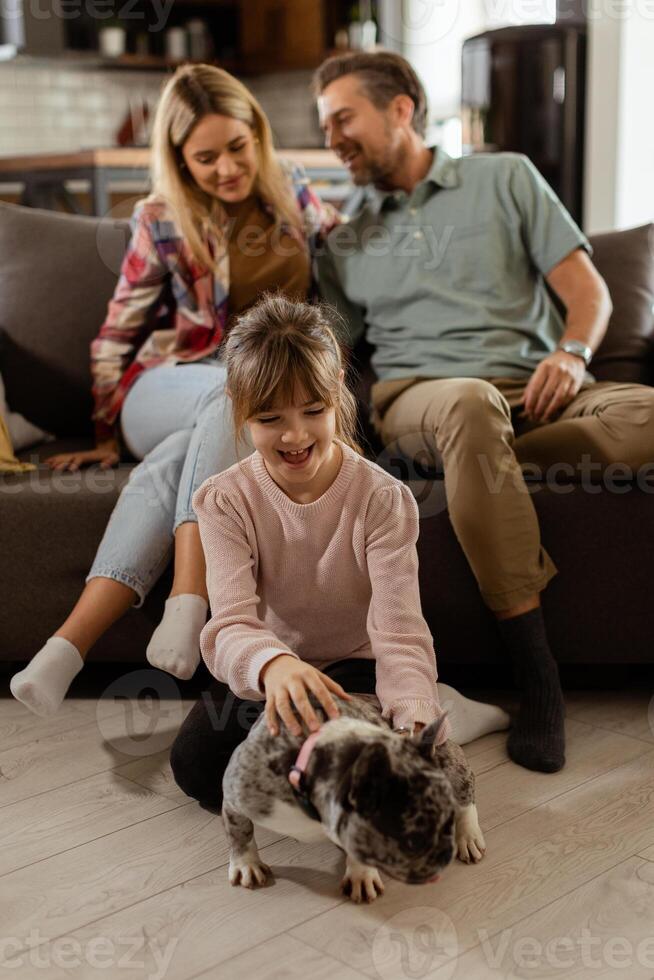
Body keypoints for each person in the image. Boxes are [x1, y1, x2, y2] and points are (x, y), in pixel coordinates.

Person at [312, 51, 654, 774]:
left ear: (401, 108)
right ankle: (539, 676)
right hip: (427, 396)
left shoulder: (507, 177)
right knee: (470, 406)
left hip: (536, 391)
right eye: (325, 125)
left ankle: (482, 469)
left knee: (642, 415)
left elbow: (588, 292)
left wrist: (570, 354)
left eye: (344, 118)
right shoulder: (343, 239)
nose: (332, 137)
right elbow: (333, 361)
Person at [9, 64, 337, 717]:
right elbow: (115, 332)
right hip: (160, 392)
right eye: (206, 158)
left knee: (178, 460)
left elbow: (342, 257)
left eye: (238, 148)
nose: (227, 169)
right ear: (181, 160)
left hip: (246, 403)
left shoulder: (294, 194)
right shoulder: (161, 218)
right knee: (229, 393)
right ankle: (190, 595)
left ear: (258, 135)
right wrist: (105, 432)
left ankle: (64, 650)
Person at [168, 294, 509, 813]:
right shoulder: (224, 500)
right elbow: (231, 625)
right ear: (241, 413)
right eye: (270, 417)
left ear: (338, 400)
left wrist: (413, 710)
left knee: (370, 781)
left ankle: (435, 704)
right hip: (275, 664)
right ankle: (408, 707)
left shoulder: (381, 498)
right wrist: (276, 667)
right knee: (197, 770)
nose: (295, 434)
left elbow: (398, 630)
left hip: (358, 663)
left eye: (313, 411)